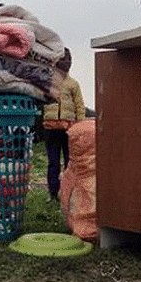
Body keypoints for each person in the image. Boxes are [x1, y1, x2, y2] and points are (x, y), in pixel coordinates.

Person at [43, 48, 84, 200]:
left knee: (69, 163)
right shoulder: (48, 81)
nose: (66, 63)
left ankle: (68, 192)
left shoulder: (73, 84)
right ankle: (53, 194)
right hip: (51, 129)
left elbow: (79, 106)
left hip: (69, 130)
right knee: (53, 163)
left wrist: (79, 127)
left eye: (68, 59)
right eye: (63, 59)